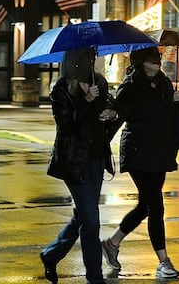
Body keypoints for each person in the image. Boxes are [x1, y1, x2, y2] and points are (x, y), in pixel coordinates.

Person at [101, 46, 179, 279]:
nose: (157, 62)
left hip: (160, 151)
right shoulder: (132, 85)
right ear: (140, 61)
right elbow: (119, 113)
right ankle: (163, 261)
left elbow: (170, 114)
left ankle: (112, 243)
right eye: (152, 59)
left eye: (158, 57)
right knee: (156, 206)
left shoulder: (165, 83)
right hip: (139, 152)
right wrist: (105, 125)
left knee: (145, 206)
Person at [40, 48, 118, 284]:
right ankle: (94, 278)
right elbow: (66, 125)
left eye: (91, 59)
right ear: (73, 62)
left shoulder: (100, 82)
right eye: (84, 59)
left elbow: (112, 109)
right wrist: (86, 101)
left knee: (85, 216)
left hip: (96, 158)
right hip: (74, 161)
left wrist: (111, 113)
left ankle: (51, 255)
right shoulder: (61, 89)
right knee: (91, 220)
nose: (89, 63)